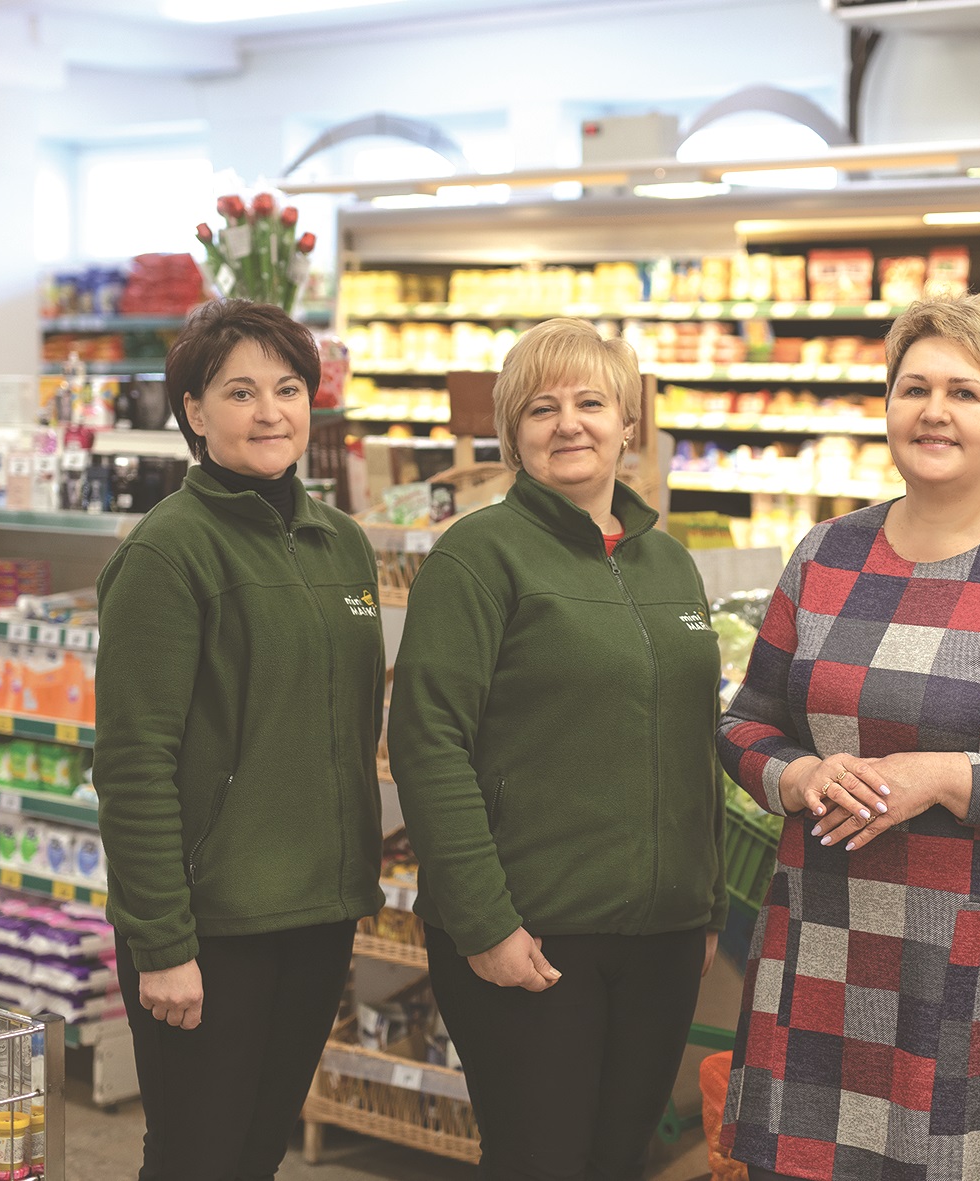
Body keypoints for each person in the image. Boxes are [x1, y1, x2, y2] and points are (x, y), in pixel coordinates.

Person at [716, 293, 980, 1181]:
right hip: (830, 933)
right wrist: (796, 777)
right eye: (914, 388)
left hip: (975, 966)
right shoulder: (826, 553)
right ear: (888, 406)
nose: (934, 411)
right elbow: (745, 722)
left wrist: (951, 776)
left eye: (966, 392)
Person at [389, 317, 726, 1181]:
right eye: (542, 408)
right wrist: (485, 919)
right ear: (512, 434)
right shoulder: (478, 555)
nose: (568, 423)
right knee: (539, 1162)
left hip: (662, 931)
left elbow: (691, 741)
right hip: (533, 934)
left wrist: (704, 896)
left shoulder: (670, 566)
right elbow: (429, 742)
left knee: (620, 1160)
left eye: (590, 401)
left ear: (629, 423)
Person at [96, 298, 386, 1180]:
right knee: (196, 1158)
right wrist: (163, 940)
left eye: (289, 388)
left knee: (255, 1154)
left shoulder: (341, 544)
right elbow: (133, 764)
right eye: (241, 391)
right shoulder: (168, 554)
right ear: (194, 411)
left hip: (316, 911)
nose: (270, 412)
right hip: (211, 924)